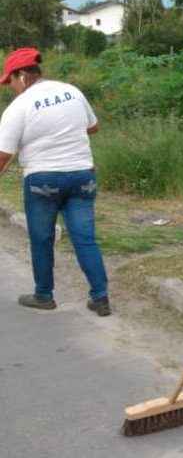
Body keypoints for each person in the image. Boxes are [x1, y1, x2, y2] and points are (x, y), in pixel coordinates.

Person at [0, 48, 110, 316]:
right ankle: (100, 298)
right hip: (82, 176)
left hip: (43, 180)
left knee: (41, 239)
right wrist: (63, 131)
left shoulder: (19, 107)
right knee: (85, 239)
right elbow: (93, 127)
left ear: (22, 75)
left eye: (10, 81)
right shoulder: (71, 91)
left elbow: (3, 156)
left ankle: (44, 295)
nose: (11, 88)